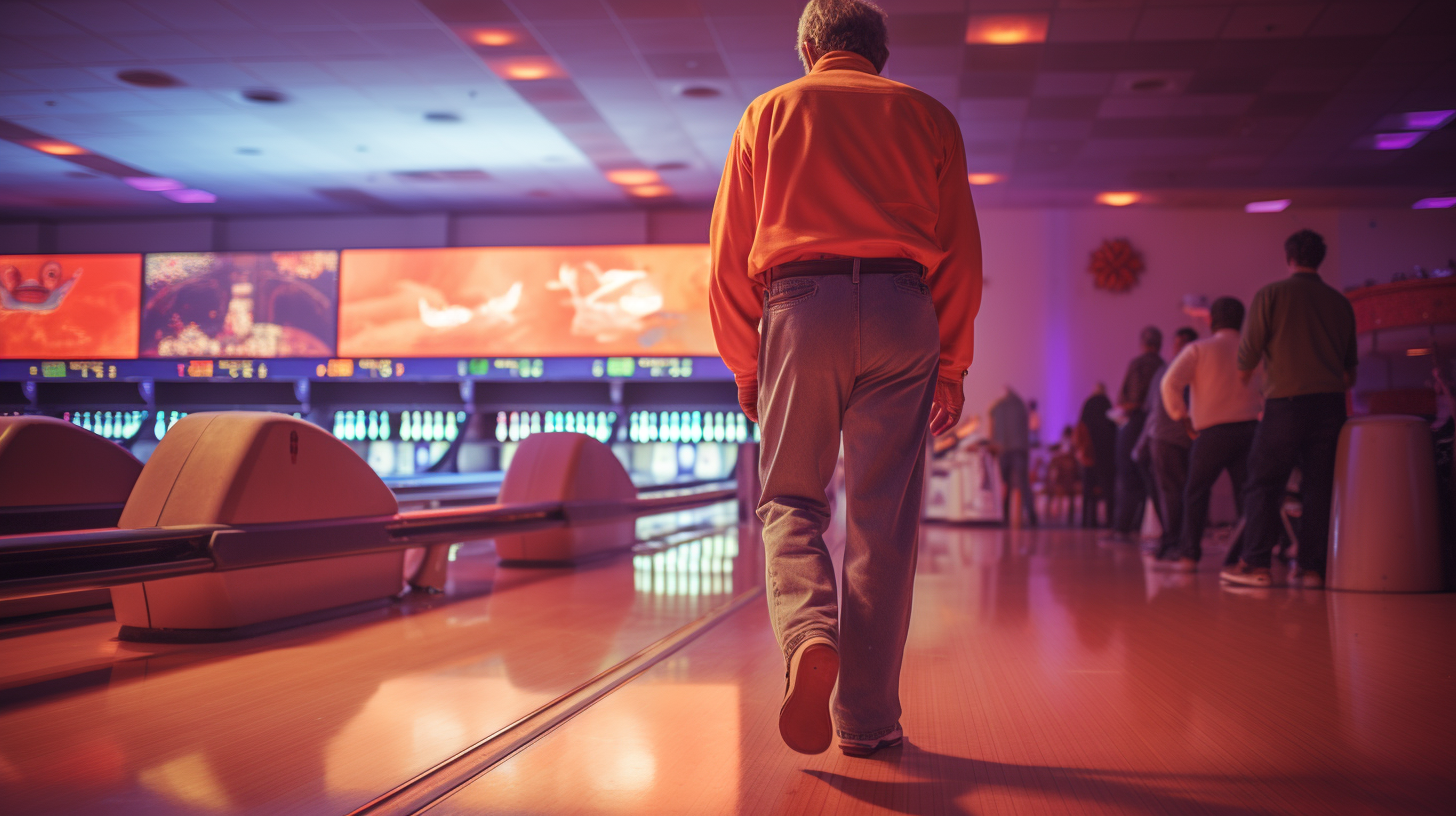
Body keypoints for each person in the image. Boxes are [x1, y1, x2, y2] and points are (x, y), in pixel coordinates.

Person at [708, 0, 982, 757]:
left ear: (807, 45)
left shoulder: (769, 111)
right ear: (880, 53)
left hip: (802, 304)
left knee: (791, 497)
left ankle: (807, 641)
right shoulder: (929, 116)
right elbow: (961, 250)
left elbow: (730, 252)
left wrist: (744, 361)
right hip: (905, 307)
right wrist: (952, 362)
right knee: (882, 524)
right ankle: (868, 721)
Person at [1222, 230, 1356, 588]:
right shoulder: (1340, 304)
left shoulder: (1271, 295)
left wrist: (1248, 384)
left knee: (1265, 483)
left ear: (1289, 258)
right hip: (1331, 406)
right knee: (1320, 486)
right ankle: (1311, 569)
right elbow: (1350, 372)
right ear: (1320, 260)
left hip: (1285, 403)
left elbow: (1246, 357)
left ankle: (1256, 565)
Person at [1158, 298, 1265, 571]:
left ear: (1212, 320)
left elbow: (1169, 383)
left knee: (1195, 492)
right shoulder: (1256, 351)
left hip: (1211, 433)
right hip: (1250, 430)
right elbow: (1269, 387)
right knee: (1248, 494)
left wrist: (1181, 414)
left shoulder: (1198, 350)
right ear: (1241, 319)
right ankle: (1248, 555)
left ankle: (1189, 556)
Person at [1137, 326, 1198, 560]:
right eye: (1177, 343)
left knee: (1174, 491)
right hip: (1166, 438)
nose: (1178, 347)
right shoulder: (1168, 370)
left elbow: (1153, 411)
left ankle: (1175, 541)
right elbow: (1153, 411)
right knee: (1173, 491)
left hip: (1172, 438)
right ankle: (1175, 541)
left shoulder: (1174, 371)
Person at [1111, 327, 1165, 540]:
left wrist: (1124, 407)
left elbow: (1129, 399)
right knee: (1150, 479)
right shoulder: (1162, 366)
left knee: (1127, 476)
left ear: (1142, 344)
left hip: (1135, 424)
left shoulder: (1138, 364)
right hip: (1156, 425)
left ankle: (1122, 528)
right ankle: (1161, 529)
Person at [989, 387, 1037, 527]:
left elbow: (992, 427)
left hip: (1003, 449)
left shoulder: (997, 406)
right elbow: (1027, 429)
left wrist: (994, 445)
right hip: (1019, 450)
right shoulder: (1021, 405)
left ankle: (1004, 518)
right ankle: (1032, 516)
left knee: (1005, 484)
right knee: (1024, 484)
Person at [1075, 386, 1117, 528]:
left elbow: (1081, 425)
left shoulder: (1088, 404)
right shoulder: (1107, 403)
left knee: (1088, 491)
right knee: (1108, 490)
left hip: (1089, 453)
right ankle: (1110, 521)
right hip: (1106, 452)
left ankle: (1087, 521)